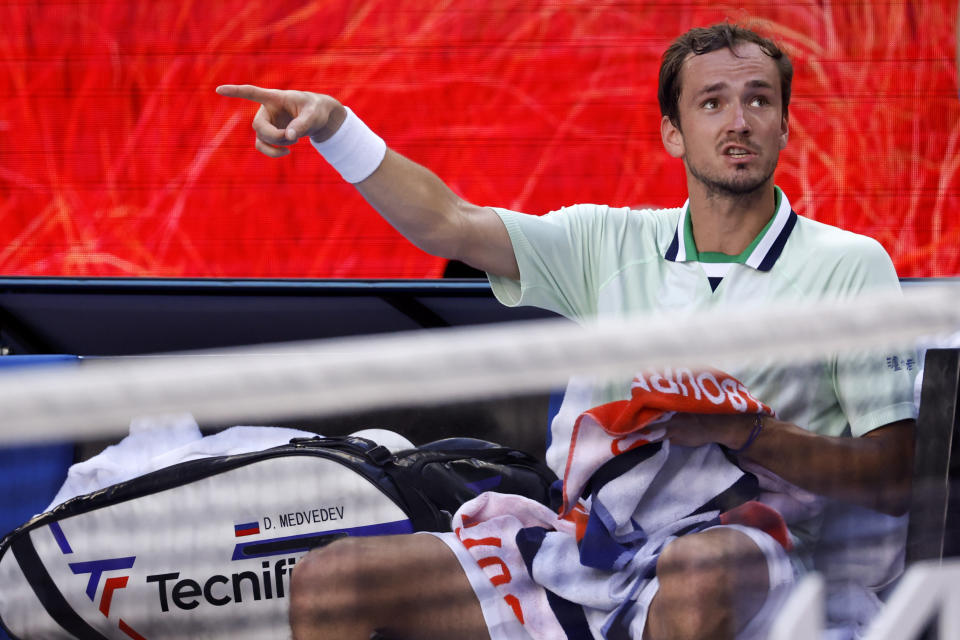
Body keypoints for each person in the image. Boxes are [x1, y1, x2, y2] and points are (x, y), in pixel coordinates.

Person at [217, 23, 917, 640]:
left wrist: (745, 431)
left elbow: (892, 478)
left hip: (763, 567)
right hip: (588, 556)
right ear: (674, 132)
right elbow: (448, 223)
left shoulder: (851, 265)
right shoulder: (604, 240)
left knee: (708, 567)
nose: (739, 120)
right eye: (713, 102)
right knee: (333, 578)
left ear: (785, 124)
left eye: (759, 100)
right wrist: (338, 128)